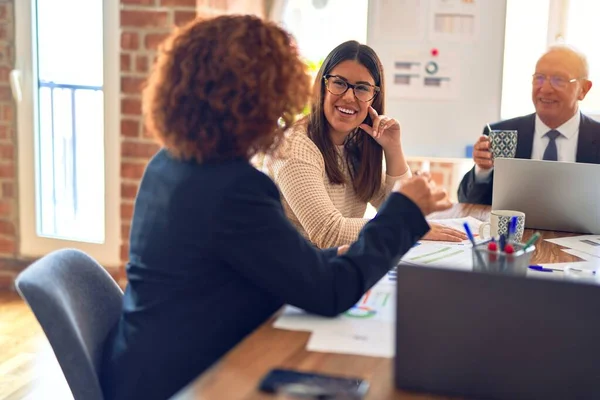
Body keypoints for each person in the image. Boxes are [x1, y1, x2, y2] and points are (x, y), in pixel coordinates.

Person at [100, 15, 452, 400]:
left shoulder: (168, 164)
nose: (282, 115)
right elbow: (329, 292)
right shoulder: (234, 189)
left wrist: (341, 251)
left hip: (149, 364)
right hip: (184, 383)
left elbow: (272, 262)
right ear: (253, 102)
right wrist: (402, 216)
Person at [262, 40, 466, 249]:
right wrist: (404, 226)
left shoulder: (355, 142)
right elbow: (329, 232)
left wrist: (393, 148)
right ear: (322, 87)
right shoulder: (294, 146)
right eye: (339, 83)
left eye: (361, 88)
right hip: (294, 272)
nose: (349, 97)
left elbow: (402, 208)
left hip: (334, 265)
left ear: (373, 98)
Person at [458, 44, 600, 205]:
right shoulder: (502, 134)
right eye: (539, 78)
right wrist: (483, 170)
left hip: (585, 230)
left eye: (559, 80)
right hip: (515, 230)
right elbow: (467, 202)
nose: (545, 89)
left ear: (583, 89)